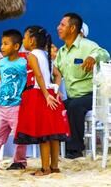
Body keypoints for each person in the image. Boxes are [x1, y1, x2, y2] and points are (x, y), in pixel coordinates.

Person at [14, 26, 70, 176]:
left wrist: (46, 95)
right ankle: (55, 166)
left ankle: (45, 168)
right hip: (51, 94)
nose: (23, 40)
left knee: (43, 134)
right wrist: (55, 91)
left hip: (39, 95)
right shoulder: (46, 55)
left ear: (31, 41)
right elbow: (58, 75)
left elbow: (38, 76)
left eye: (25, 38)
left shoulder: (31, 55)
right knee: (53, 133)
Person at [55, 13, 110, 159]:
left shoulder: (88, 46)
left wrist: (93, 57)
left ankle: (75, 150)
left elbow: (104, 54)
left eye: (62, 25)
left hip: (90, 96)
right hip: (73, 97)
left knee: (75, 106)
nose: (58, 28)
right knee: (56, 105)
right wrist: (54, 89)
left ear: (72, 28)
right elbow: (56, 72)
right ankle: (56, 147)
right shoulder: (61, 52)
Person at [0, 29, 28, 171]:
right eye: (2, 43)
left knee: (19, 137)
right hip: (2, 106)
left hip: (17, 106)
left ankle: (19, 161)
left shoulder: (24, 63)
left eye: (6, 44)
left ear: (16, 46)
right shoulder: (2, 63)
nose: (2, 47)